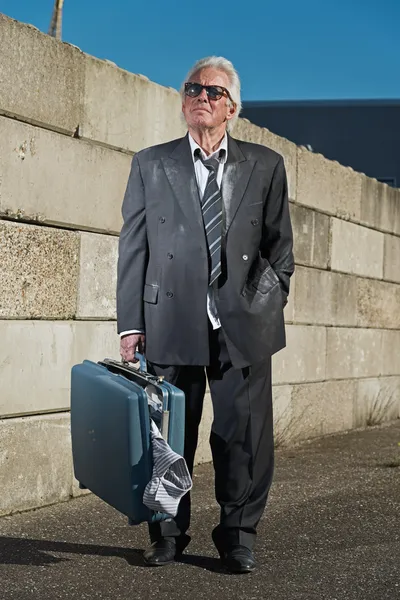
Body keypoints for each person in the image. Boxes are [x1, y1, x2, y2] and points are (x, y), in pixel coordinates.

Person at [117, 56, 294, 573]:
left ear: (232, 107)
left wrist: (265, 301)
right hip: (169, 320)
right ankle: (167, 533)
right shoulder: (151, 163)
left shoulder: (265, 165)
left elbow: (279, 249)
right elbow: (133, 246)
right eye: (193, 88)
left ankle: (237, 534)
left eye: (213, 92)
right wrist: (131, 323)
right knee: (169, 436)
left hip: (241, 325)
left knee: (243, 435)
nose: (201, 96)